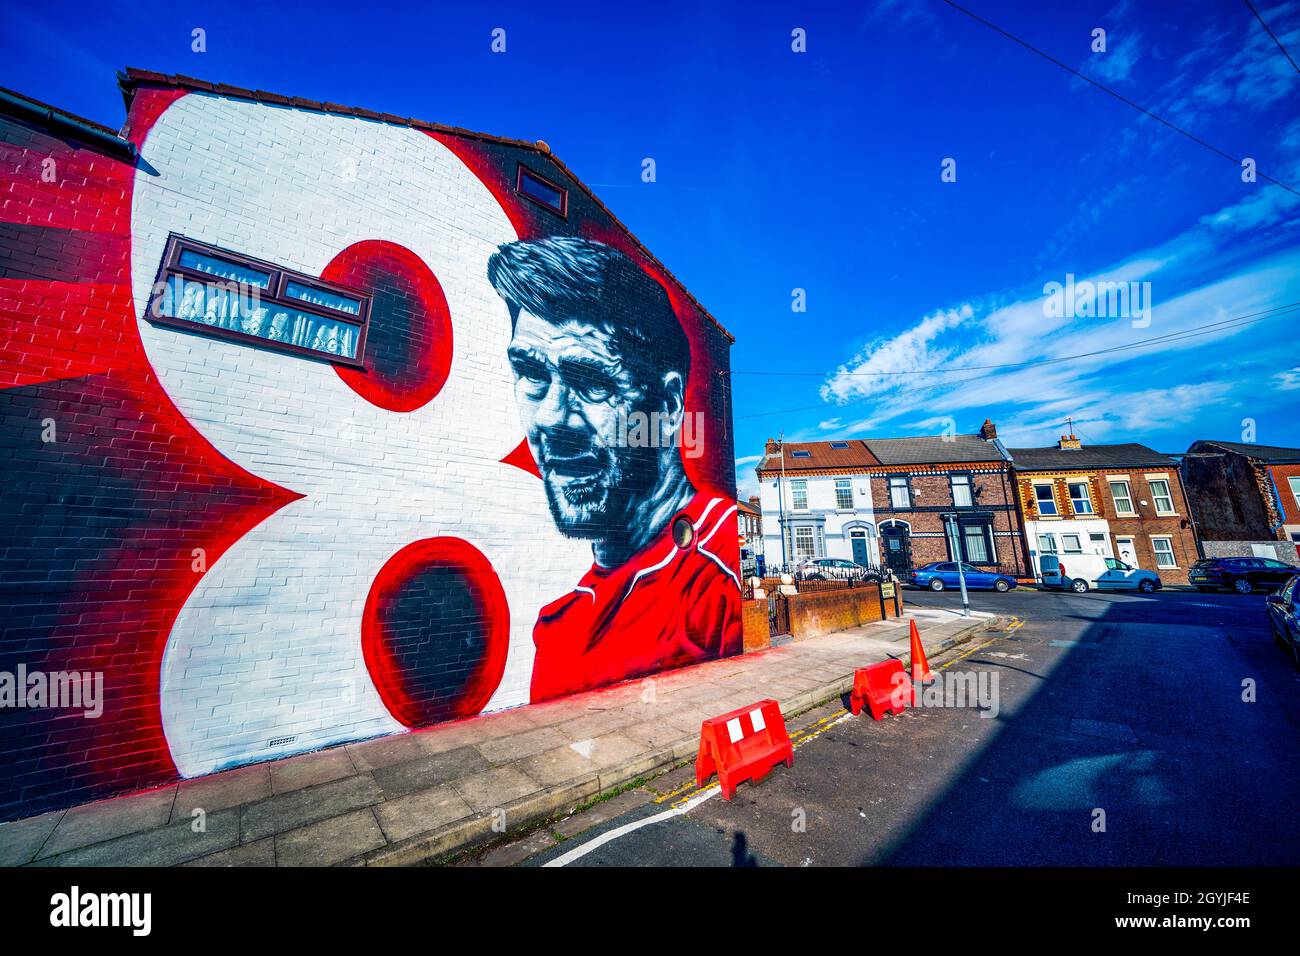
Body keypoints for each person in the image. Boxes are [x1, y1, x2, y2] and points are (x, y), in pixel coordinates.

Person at [488, 237, 741, 701]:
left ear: (666, 406)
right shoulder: (560, 626)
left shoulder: (715, 574)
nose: (550, 418)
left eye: (591, 383)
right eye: (532, 374)